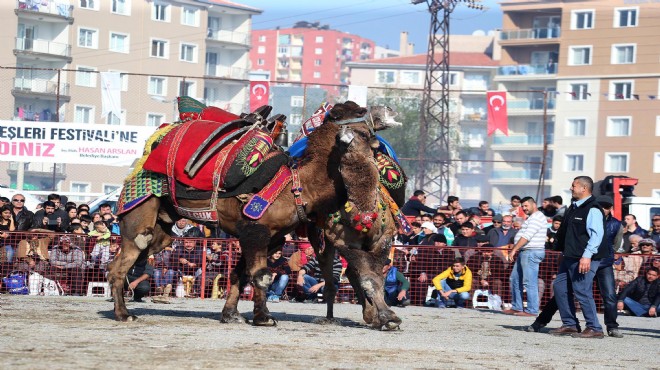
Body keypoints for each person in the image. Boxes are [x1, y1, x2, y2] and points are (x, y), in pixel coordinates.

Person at [528, 195, 624, 338]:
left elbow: (616, 245)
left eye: (606, 207)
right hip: (585, 258)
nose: (603, 209)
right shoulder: (587, 212)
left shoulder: (616, 224)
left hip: (602, 261)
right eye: (601, 206)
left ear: (611, 209)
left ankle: (611, 326)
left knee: (608, 295)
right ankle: (543, 321)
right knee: (562, 289)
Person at [550, 176, 607, 338]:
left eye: (573, 185)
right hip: (570, 257)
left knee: (582, 290)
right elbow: (570, 235)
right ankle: (570, 324)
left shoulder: (593, 208)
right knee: (560, 287)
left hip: (584, 258)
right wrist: (563, 253)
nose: (571, 188)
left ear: (584, 188)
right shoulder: (574, 207)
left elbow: (597, 235)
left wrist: (587, 256)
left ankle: (594, 327)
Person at [504, 197, 547, 316]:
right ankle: (517, 307)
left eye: (526, 206)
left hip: (531, 251)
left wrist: (514, 250)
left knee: (529, 282)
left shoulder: (537, 217)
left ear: (534, 204)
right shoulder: (532, 218)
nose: (524, 208)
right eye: (522, 206)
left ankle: (532, 310)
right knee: (515, 279)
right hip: (525, 251)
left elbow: (527, 236)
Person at [173, 227, 205, 297]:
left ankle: (196, 292)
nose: (188, 244)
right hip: (182, 269)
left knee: (200, 272)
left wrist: (195, 264)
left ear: (195, 242)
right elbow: (172, 259)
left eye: (190, 242)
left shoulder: (199, 249)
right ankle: (180, 292)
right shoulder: (178, 249)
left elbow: (202, 261)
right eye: (186, 242)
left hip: (195, 269)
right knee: (175, 272)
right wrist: (179, 260)